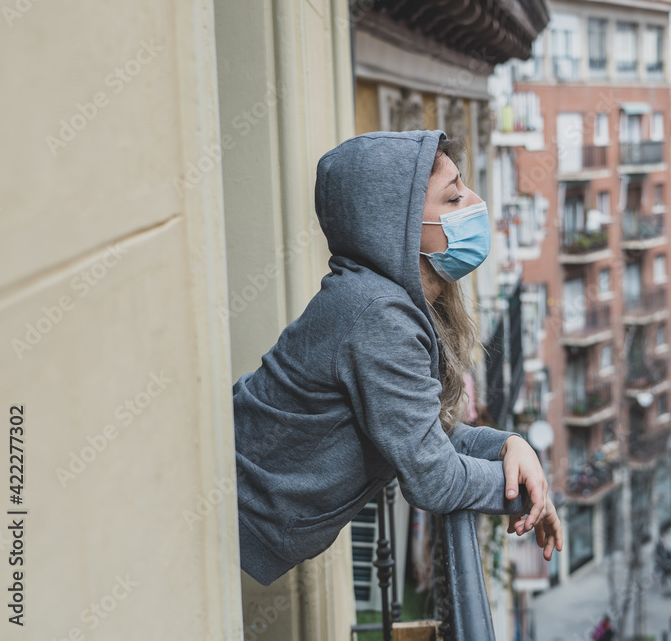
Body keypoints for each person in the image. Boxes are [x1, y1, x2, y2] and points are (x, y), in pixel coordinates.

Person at [233, 130, 563, 586]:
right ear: (399, 224)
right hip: (226, 524)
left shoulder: (386, 302)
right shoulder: (377, 314)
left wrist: (508, 446)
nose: (476, 202)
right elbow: (434, 478)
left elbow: (424, 432)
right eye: (452, 199)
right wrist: (525, 493)